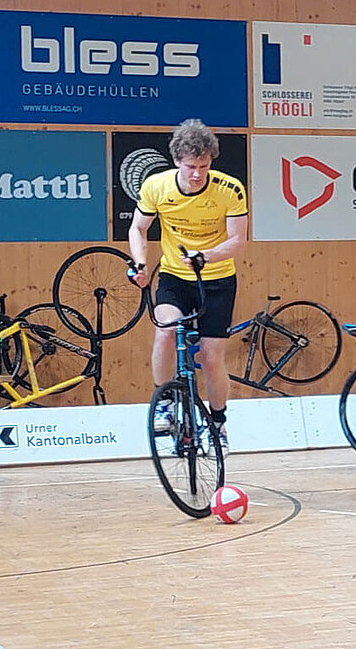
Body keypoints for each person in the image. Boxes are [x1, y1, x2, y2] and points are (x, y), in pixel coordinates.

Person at [128, 120, 248, 457]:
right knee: (165, 333)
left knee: (211, 357)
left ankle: (219, 423)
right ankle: (165, 404)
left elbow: (238, 240)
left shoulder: (230, 189)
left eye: (204, 166)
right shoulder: (156, 186)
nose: (197, 174)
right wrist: (139, 263)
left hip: (217, 280)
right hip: (175, 277)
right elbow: (138, 228)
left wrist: (204, 256)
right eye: (191, 166)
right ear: (177, 161)